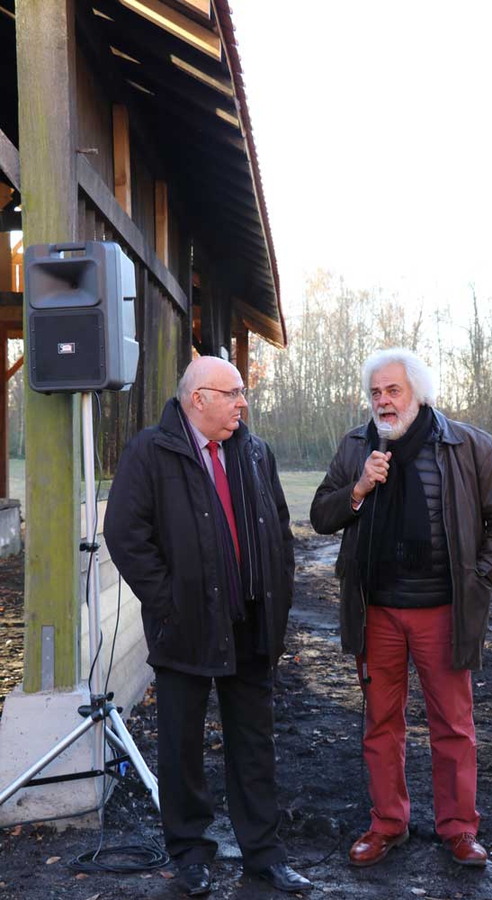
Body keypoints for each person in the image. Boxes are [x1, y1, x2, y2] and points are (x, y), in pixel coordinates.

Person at [104, 356, 312, 896]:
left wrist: (278, 600)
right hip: (186, 626)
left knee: (255, 745)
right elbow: (127, 535)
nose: (243, 403)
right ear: (199, 399)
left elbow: (280, 531)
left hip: (249, 623)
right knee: (182, 748)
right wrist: (168, 601)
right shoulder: (152, 451)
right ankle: (191, 856)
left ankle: (263, 856)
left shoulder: (255, 451)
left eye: (242, 393)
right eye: (234, 393)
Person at [310, 347, 492, 869]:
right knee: (381, 722)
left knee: (453, 724)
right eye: (376, 393)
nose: (383, 401)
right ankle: (388, 823)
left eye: (393, 391)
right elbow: (320, 515)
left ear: (418, 394)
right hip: (376, 612)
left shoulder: (468, 445)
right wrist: (358, 489)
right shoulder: (357, 446)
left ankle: (459, 828)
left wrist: (481, 578)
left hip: (443, 613)